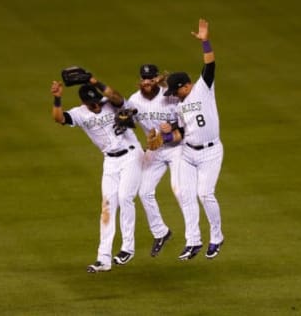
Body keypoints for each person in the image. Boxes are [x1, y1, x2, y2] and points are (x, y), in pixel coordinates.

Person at [50, 76, 143, 273]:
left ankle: (127, 248)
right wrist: (57, 99)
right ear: (84, 102)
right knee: (107, 207)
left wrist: (95, 81)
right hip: (110, 161)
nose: (96, 105)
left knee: (125, 196)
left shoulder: (110, 102)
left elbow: (115, 95)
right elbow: (59, 118)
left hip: (131, 154)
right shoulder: (80, 114)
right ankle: (104, 259)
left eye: (96, 100)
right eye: (91, 103)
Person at [158, 18, 224, 260]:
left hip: (210, 152)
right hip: (187, 153)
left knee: (205, 194)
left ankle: (216, 237)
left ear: (185, 86)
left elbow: (210, 66)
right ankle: (193, 241)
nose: (173, 95)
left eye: (175, 91)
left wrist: (206, 42)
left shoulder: (202, 89)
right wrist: (166, 135)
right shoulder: (180, 107)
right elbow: (180, 134)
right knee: (185, 194)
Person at [127, 64, 181, 257]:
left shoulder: (170, 96)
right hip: (154, 151)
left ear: (157, 79)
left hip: (176, 149)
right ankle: (161, 233)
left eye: (150, 78)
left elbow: (187, 119)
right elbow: (127, 121)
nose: (146, 82)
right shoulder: (134, 100)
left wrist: (173, 125)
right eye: (143, 78)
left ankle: (194, 237)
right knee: (144, 192)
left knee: (180, 190)